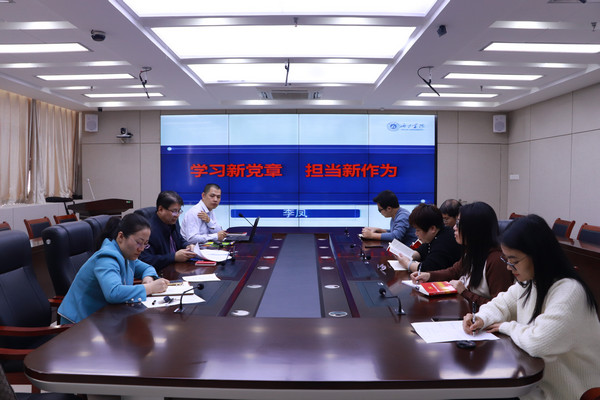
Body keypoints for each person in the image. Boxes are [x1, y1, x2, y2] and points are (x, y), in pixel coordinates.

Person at [463, 214, 600, 400]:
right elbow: (502, 303)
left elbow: (539, 342)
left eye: (514, 261)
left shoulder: (569, 291)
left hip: (568, 393)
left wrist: (506, 326)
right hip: (536, 386)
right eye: (506, 260)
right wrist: (481, 318)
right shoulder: (530, 282)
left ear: (538, 255)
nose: (509, 267)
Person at [57, 214, 169, 324]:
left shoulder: (127, 254)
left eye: (145, 244)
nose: (142, 249)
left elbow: (147, 268)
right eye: (139, 242)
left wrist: (148, 278)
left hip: (103, 318)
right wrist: (149, 288)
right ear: (121, 237)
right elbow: (113, 293)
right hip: (78, 323)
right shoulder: (107, 257)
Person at [410, 201, 514, 306]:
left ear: (474, 229)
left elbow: (500, 307)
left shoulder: (497, 261)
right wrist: (429, 276)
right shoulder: (472, 251)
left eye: (458, 224)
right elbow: (454, 271)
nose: (454, 228)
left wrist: (464, 292)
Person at [394, 203, 461, 272]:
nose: (416, 234)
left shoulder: (444, 242)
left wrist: (406, 263)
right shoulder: (435, 235)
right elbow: (421, 251)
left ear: (432, 229)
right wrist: (406, 256)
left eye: (418, 230)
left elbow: (427, 268)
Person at [139, 191, 196, 271]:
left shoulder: (173, 220)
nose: (177, 215)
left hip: (176, 268)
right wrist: (173, 257)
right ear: (160, 209)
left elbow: (179, 239)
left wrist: (187, 245)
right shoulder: (148, 230)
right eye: (174, 211)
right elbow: (145, 260)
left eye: (179, 211)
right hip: (160, 272)